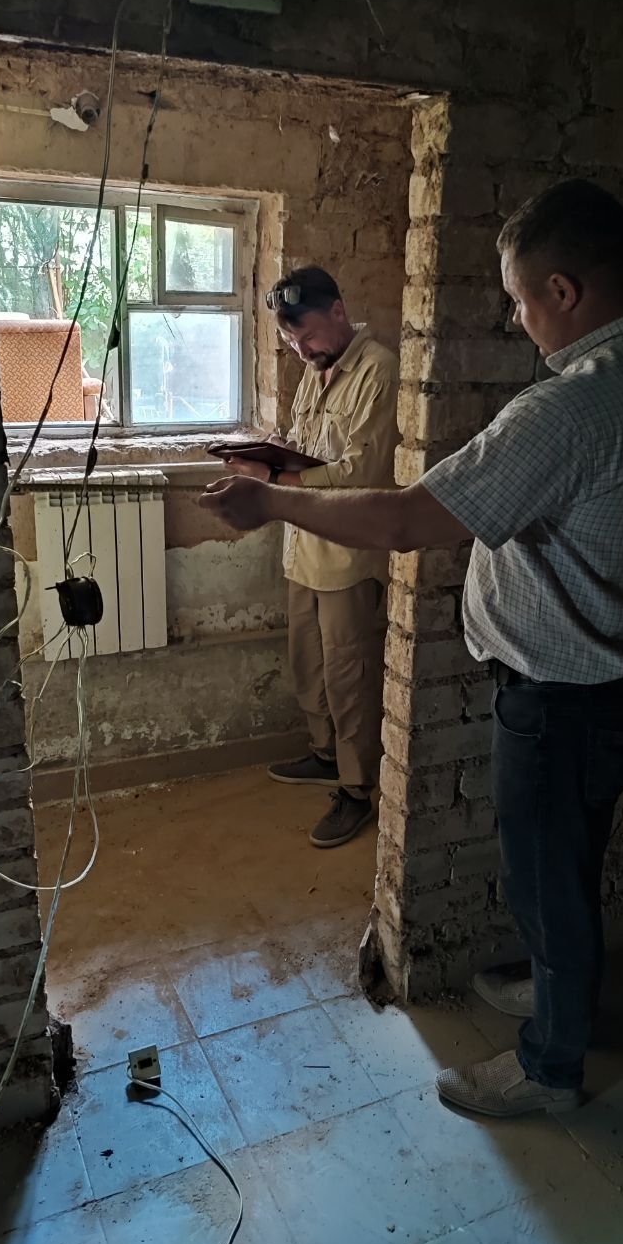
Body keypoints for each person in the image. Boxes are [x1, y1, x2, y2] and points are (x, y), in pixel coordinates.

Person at [199, 181, 623, 1117]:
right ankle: (564, 989)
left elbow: (409, 518)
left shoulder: (575, 407)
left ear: (563, 291)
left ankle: (550, 1066)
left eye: (521, 300)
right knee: (572, 857)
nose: (518, 319)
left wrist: (270, 500)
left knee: (546, 873)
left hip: (560, 691)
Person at [223, 266, 399, 848]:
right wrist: (270, 454)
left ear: (339, 311)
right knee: (309, 664)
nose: (301, 351)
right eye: (290, 341)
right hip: (301, 544)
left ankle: (357, 788)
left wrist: (273, 478)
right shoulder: (314, 368)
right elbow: (305, 448)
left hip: (347, 554)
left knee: (349, 675)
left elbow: (361, 473)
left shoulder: (379, 371)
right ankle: (325, 756)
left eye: (307, 336)